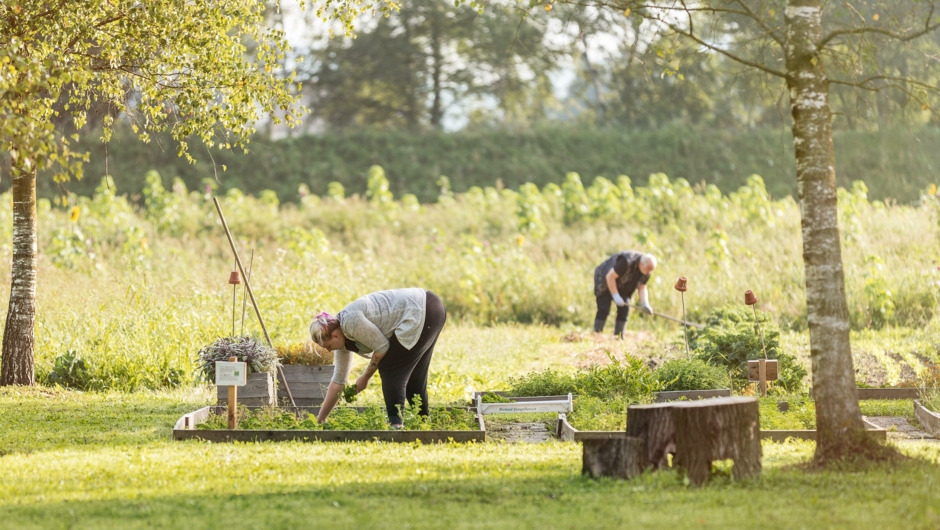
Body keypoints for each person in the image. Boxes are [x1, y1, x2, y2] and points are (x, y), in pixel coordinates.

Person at [309, 288, 446, 427]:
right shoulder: (341, 341)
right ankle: (424, 425)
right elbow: (338, 381)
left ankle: (396, 426)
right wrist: (321, 419)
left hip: (422, 310)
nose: (328, 351)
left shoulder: (351, 322)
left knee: (390, 367)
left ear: (335, 336)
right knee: (414, 376)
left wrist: (365, 377)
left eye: (327, 346)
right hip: (431, 308)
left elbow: (382, 348)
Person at [593, 251, 656, 337]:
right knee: (604, 308)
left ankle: (619, 336)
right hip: (605, 281)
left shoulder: (646, 271)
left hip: (624, 285)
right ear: (641, 264)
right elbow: (610, 277)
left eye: (651, 270)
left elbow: (642, 287)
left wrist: (645, 303)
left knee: (625, 308)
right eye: (648, 269)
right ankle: (596, 334)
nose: (649, 272)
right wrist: (615, 295)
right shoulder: (626, 261)